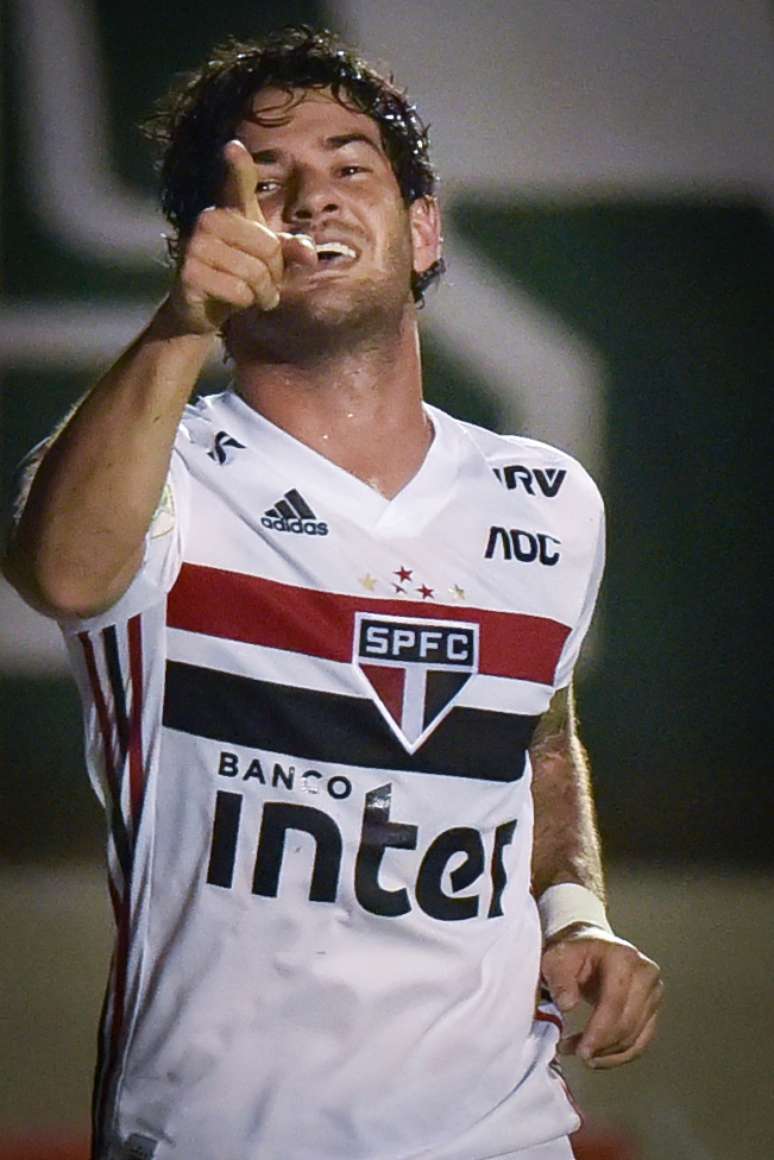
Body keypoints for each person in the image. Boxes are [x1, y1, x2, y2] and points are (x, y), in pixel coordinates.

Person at [3, 26, 662, 1160]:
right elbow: (60, 571)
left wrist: (574, 910)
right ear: (206, 234)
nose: (312, 197)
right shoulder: (159, 472)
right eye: (265, 179)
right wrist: (181, 324)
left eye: (351, 166)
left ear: (422, 228)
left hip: (502, 1133)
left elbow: (541, 737)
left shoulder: (551, 500)